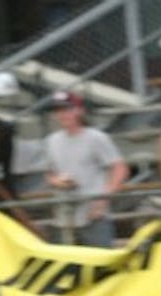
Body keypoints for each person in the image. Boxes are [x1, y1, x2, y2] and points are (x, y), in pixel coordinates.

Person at [43, 91, 127, 247]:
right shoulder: (51, 141)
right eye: (58, 111)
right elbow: (49, 174)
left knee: (101, 264)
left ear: (79, 111)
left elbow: (120, 168)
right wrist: (57, 181)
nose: (62, 115)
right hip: (64, 216)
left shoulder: (96, 137)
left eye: (67, 109)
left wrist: (103, 199)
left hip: (93, 215)